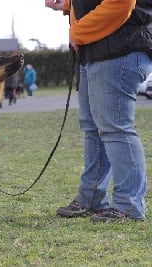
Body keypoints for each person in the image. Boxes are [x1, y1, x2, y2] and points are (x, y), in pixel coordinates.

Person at [46, 0, 152, 222]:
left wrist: (78, 32)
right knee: (94, 127)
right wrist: (68, 5)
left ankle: (128, 204)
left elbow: (121, 3)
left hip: (119, 50)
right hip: (97, 51)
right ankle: (92, 196)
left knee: (116, 129)